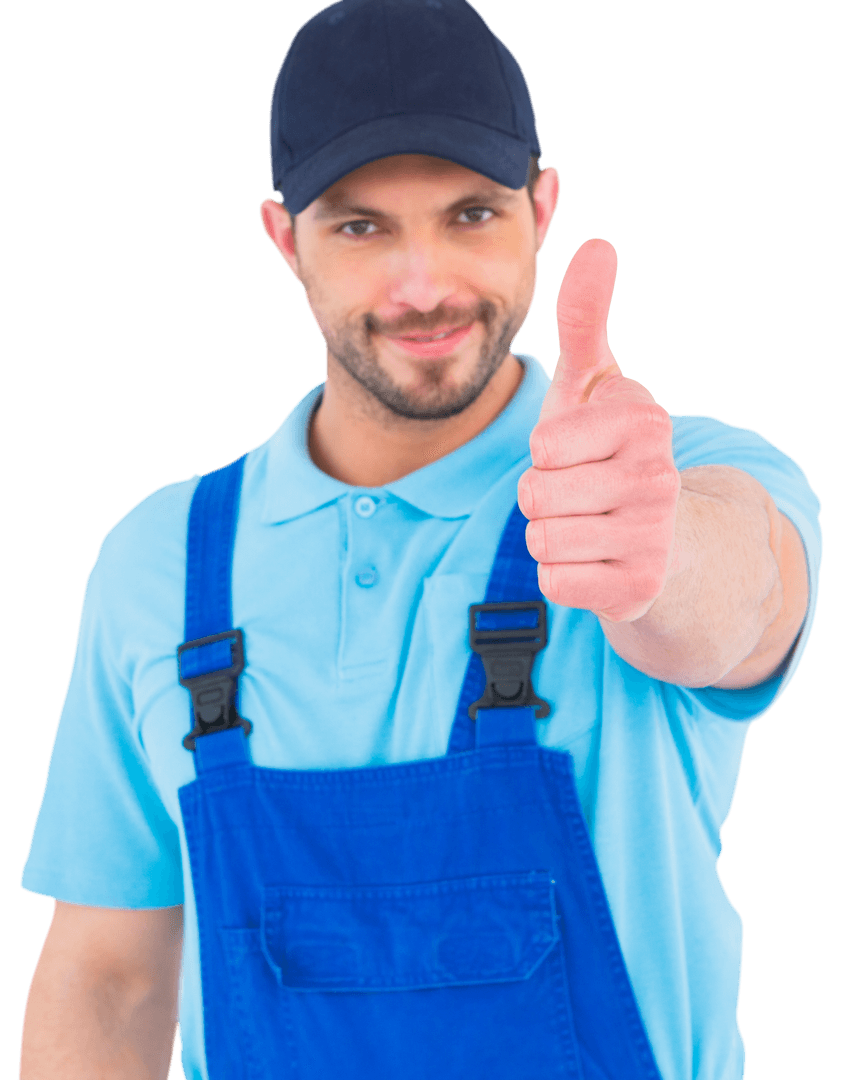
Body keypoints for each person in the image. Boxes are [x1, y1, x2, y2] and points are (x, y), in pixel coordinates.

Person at [18, 1, 822, 1079]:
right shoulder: (158, 564)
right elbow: (111, 982)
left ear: (541, 211)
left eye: (471, 215)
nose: (424, 286)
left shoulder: (667, 473)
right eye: (361, 226)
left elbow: (743, 608)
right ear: (282, 238)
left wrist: (659, 553)